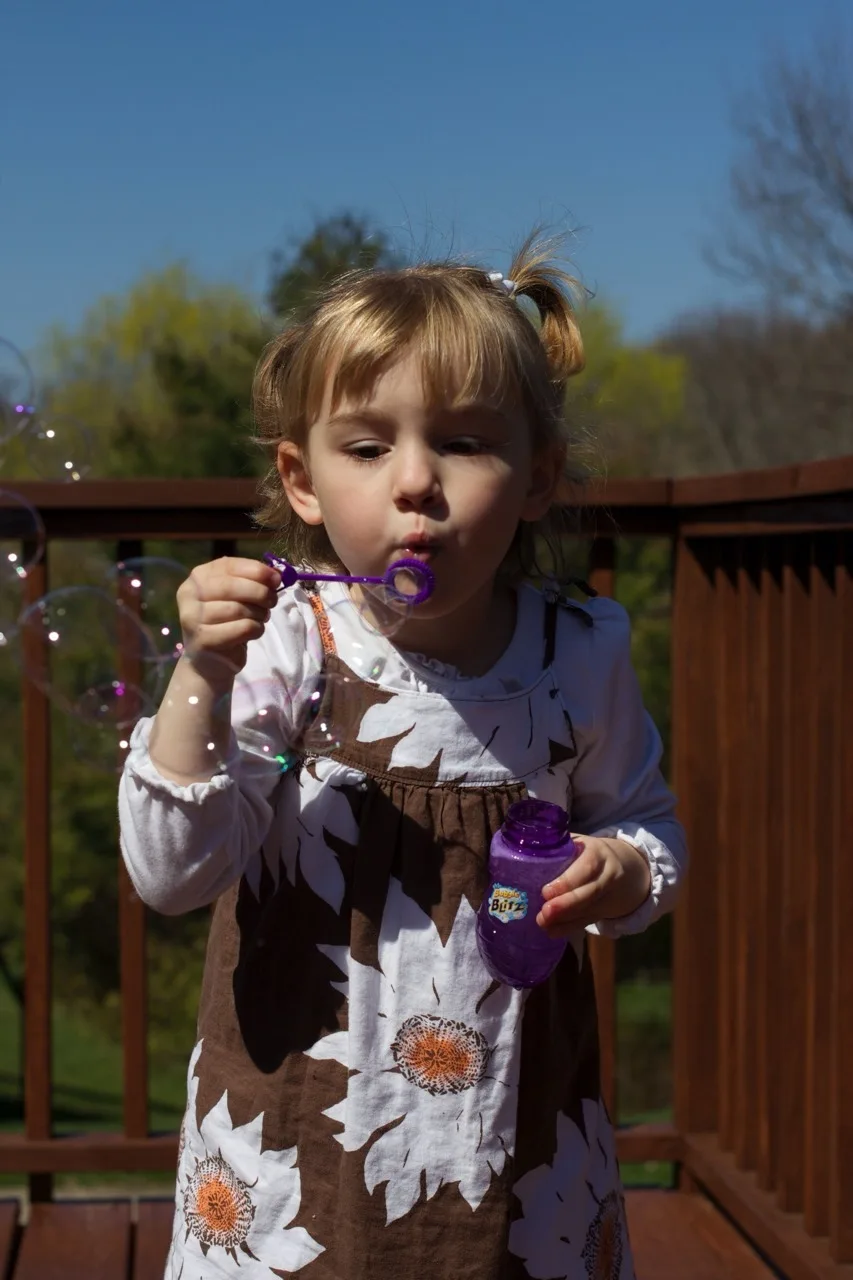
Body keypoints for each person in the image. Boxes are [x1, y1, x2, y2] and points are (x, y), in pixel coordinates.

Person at [119, 236, 687, 1280]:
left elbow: (648, 827)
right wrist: (200, 670)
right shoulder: (289, 643)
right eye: (368, 447)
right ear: (301, 480)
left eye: (465, 443)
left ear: (536, 478)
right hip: (299, 1118)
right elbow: (171, 871)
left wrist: (623, 867)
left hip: (513, 1129)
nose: (416, 483)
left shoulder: (580, 649)